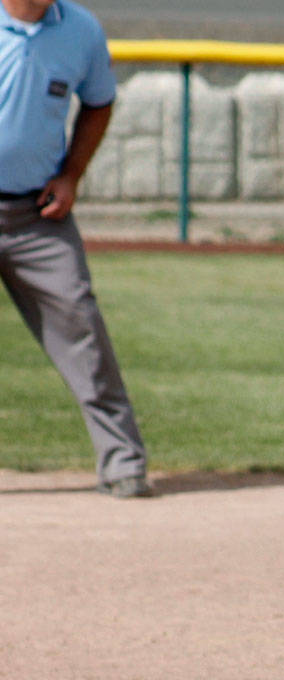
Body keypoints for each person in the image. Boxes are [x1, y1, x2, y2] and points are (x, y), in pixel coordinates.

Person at [1, 0, 151, 497]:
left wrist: (71, 176)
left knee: (81, 328)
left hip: (37, 214)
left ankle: (123, 461)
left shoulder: (81, 30)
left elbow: (99, 102)